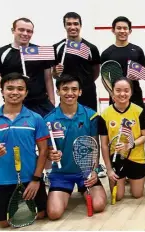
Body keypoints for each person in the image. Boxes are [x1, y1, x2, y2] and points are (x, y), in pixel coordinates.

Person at [0, 73, 49, 228]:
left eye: (20, 89)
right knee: (3, 223)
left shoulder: (36, 118)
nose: (15, 92)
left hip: (30, 178)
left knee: (42, 215)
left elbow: (43, 151)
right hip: (2, 180)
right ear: (2, 91)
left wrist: (36, 180)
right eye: (9, 88)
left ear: (26, 92)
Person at [52, 12, 107, 179]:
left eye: (75, 23)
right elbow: (53, 74)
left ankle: (95, 165)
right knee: (67, 130)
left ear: (80, 25)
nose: (72, 27)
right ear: (65, 26)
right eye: (69, 24)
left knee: (91, 128)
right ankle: (69, 164)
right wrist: (56, 72)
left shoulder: (90, 48)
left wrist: (86, 84)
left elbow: (96, 71)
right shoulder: (58, 47)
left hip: (87, 93)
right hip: (67, 96)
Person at [44, 75, 106, 220]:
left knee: (99, 205)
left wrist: (94, 171)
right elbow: (46, 151)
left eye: (74, 89)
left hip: (85, 172)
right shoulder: (48, 120)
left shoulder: (90, 116)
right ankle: (67, 190)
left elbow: (94, 147)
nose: (69, 93)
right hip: (61, 174)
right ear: (58, 91)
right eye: (65, 89)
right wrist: (50, 154)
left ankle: (83, 188)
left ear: (80, 92)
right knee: (54, 214)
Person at [0, 17, 55, 117]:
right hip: (14, 104)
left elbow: (48, 78)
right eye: (21, 30)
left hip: (41, 104)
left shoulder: (40, 51)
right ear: (13, 30)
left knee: (46, 133)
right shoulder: (0, 53)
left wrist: (52, 100)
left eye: (29, 31)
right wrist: (16, 82)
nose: (25, 33)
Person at [99, 77, 145, 201]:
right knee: (118, 197)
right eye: (118, 90)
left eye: (126, 90)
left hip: (136, 157)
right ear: (112, 93)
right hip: (116, 158)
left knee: (137, 194)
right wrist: (109, 169)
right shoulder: (105, 115)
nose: (122, 94)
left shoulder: (139, 111)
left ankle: (131, 179)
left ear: (131, 92)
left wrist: (130, 145)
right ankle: (122, 179)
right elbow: (104, 145)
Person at [101, 16, 145, 107]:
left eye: (125, 28)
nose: (122, 31)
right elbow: (104, 78)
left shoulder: (137, 50)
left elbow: (144, 73)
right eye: (119, 28)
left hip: (135, 96)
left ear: (130, 31)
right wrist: (112, 94)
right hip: (115, 97)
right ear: (113, 30)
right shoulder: (106, 53)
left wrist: (139, 75)